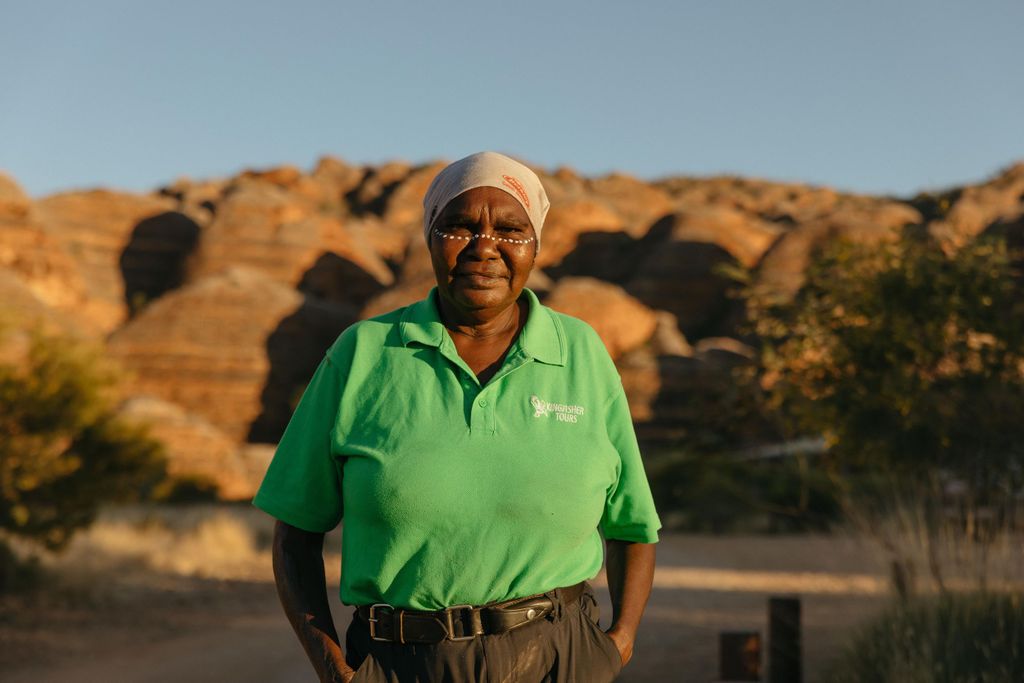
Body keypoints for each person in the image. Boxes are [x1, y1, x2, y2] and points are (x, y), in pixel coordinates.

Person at [252, 151, 662, 682]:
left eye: (511, 231)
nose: (484, 248)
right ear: (429, 237)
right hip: (399, 663)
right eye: (459, 226)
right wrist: (334, 669)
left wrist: (617, 644)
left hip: (559, 658)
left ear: (536, 245)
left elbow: (633, 525)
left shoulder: (580, 352)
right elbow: (296, 532)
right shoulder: (364, 353)